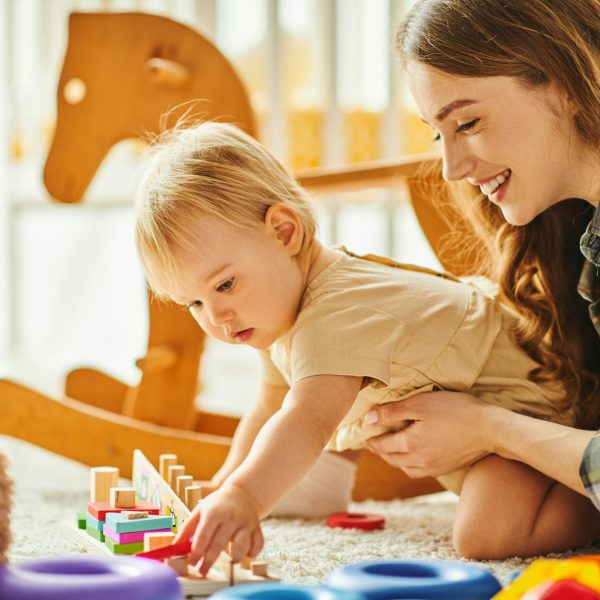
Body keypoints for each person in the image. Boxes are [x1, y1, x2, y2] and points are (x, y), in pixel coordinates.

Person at [134, 121, 599, 574]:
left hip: (534, 403)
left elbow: (306, 421)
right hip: (466, 396)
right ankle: (321, 483)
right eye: (193, 302)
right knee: (331, 399)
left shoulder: (336, 312)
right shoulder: (272, 308)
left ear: (283, 232)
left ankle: (589, 502)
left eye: (225, 284)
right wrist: (226, 482)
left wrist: (247, 497)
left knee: (485, 534)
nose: (216, 316)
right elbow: (270, 405)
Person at [365, 0, 600, 514]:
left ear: (563, 81)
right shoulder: (577, 238)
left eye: (467, 122)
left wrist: (487, 428)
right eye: (437, 133)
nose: (450, 168)